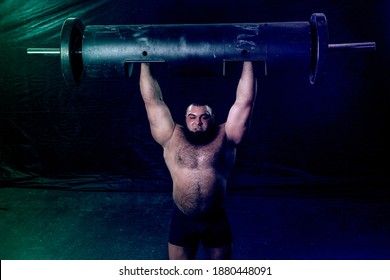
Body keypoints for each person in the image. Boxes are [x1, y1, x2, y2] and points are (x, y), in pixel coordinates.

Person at [139, 61, 257, 259]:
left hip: (216, 219)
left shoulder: (226, 136)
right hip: (182, 219)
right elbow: (152, 101)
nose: (198, 123)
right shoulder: (171, 136)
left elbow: (245, 101)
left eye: (204, 117)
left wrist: (249, 59)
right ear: (185, 118)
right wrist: (144, 61)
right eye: (192, 117)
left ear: (212, 118)